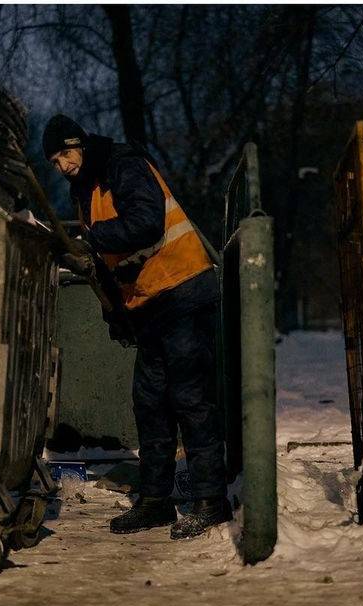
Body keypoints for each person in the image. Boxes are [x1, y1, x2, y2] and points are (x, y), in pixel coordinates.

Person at [43, 114, 231, 540]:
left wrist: (91, 238)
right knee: (150, 404)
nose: (62, 166)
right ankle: (156, 502)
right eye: (54, 162)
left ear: (81, 145)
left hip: (181, 289)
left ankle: (210, 502)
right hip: (151, 304)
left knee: (189, 398)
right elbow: (111, 266)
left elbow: (146, 222)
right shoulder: (87, 189)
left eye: (65, 155)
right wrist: (119, 316)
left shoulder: (122, 166)